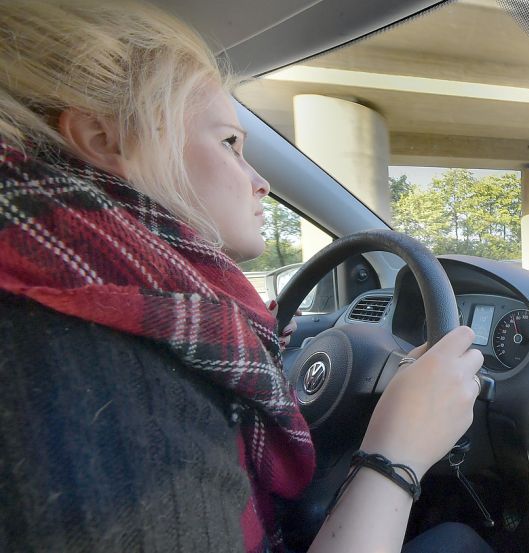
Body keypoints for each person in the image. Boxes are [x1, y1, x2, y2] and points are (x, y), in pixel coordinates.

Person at [0, 1, 493, 552]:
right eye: (230, 144)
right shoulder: (94, 366)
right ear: (105, 141)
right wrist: (398, 447)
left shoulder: (105, 302)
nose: (259, 181)